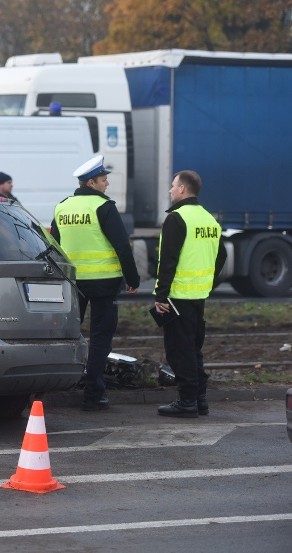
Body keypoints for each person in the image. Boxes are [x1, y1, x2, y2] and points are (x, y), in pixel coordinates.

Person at [51, 155, 139, 411]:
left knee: (68, 334)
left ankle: (62, 383)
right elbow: (122, 245)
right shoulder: (104, 207)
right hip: (104, 283)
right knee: (100, 338)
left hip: (73, 283)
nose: (107, 184)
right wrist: (132, 279)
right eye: (103, 180)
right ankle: (93, 394)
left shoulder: (62, 207)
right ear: (91, 182)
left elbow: (54, 246)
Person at [154, 170, 226, 418]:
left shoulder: (177, 218)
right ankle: (200, 399)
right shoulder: (208, 219)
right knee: (193, 349)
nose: (170, 190)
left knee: (178, 351)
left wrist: (160, 296)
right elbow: (222, 256)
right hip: (198, 296)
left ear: (183, 189)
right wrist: (208, 282)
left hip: (178, 296)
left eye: (173, 186)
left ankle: (186, 402)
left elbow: (168, 261)